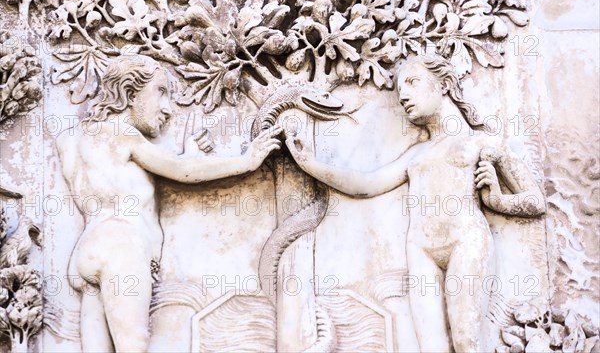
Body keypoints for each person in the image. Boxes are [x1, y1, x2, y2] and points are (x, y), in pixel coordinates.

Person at [285, 54, 546, 352]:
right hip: (420, 249)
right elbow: (366, 185)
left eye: (412, 82)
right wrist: (310, 165)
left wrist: (498, 200)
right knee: (431, 347)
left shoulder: (482, 144)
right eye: (398, 91)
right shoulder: (417, 154)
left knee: (465, 342)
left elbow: (535, 201)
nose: (404, 96)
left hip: (466, 241)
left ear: (444, 84)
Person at [56, 55, 282, 352]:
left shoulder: (71, 141)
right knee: (134, 346)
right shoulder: (124, 135)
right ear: (129, 93)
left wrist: (187, 154)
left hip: (87, 251)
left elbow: (155, 172)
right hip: (122, 247)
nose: (167, 108)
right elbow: (181, 172)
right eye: (160, 92)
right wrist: (246, 161)